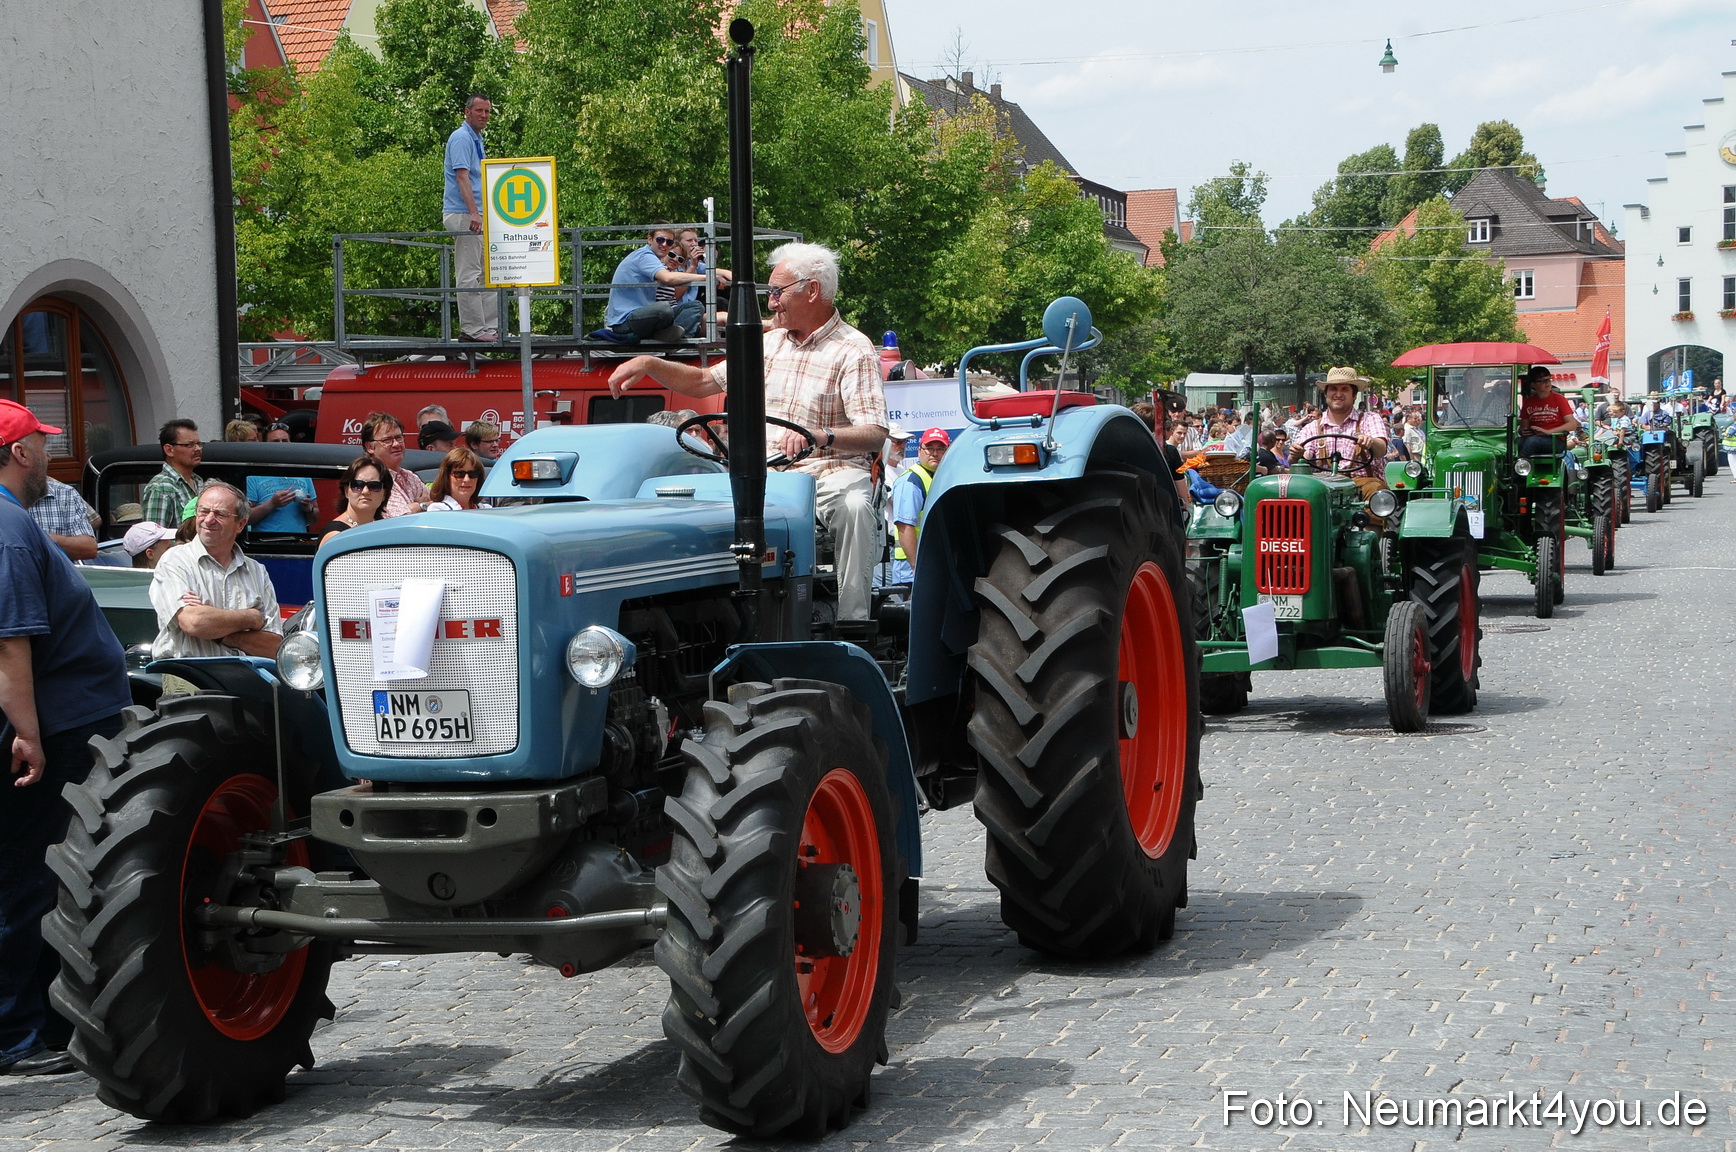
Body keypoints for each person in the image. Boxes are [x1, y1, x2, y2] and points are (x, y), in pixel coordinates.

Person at [609, 241, 888, 622]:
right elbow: (706, 380)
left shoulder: (853, 349)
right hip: (765, 474)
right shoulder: (767, 344)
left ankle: (853, 620)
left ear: (812, 290)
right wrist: (648, 362)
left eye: (777, 292)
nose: (771, 303)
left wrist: (819, 435)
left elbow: (874, 432)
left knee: (855, 508)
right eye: (769, 293)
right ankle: (708, 616)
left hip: (828, 473)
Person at [0, 399, 130, 1077]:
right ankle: (19, 1035)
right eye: (41, 443)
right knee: (35, 880)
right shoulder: (9, 525)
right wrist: (27, 733)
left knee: (41, 877)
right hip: (53, 725)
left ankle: (38, 1023)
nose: (49, 454)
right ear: (19, 453)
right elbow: (10, 643)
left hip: (58, 719)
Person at [148, 482, 282, 659]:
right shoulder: (175, 560)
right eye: (203, 511)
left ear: (240, 524)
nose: (208, 519)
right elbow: (194, 622)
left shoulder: (257, 571)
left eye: (220, 514)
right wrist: (251, 617)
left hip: (247, 678)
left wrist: (219, 629)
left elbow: (274, 647)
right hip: (189, 675)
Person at [443, 95, 498, 342]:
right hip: (465, 213)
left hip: (478, 214)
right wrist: (474, 213)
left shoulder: (476, 139)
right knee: (470, 272)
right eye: (479, 110)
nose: (484, 115)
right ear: (467, 112)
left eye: (487, 111)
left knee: (488, 272)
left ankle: (490, 328)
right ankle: (473, 330)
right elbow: (462, 177)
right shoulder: (462, 138)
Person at [604, 225, 717, 340]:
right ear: (649, 240)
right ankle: (673, 335)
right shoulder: (645, 256)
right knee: (663, 309)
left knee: (696, 306)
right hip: (626, 321)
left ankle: (676, 337)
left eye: (668, 242)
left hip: (645, 317)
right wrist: (708, 277)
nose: (664, 244)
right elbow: (667, 278)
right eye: (660, 240)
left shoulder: (656, 261)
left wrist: (708, 273)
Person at [1294, 366, 1389, 500]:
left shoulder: (1369, 419)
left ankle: (1372, 522)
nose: (1338, 394)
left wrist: (1371, 442)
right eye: (1333, 389)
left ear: (1354, 395)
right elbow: (1304, 455)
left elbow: (1381, 449)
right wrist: (1297, 454)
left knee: (1376, 491)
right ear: (1326, 394)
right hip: (1322, 488)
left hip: (1362, 487)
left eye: (1344, 389)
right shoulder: (1312, 428)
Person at [890, 428, 948, 585]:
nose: (934, 453)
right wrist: (916, 567)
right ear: (920, 450)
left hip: (933, 565)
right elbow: (905, 526)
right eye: (929, 448)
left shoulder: (940, 478)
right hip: (912, 570)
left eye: (940, 448)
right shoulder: (911, 481)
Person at [244, 429, 318, 532]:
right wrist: (272, 503)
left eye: (285, 441)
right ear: (265, 445)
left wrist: (308, 510)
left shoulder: (302, 473)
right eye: (275, 441)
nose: (281, 445)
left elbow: (315, 519)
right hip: (264, 544)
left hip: (298, 543)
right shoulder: (254, 475)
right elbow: (244, 518)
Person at [360, 412, 432, 516]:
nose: (396, 444)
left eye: (399, 437)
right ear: (370, 447)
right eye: (387, 440)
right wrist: (422, 505)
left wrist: (419, 506)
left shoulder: (410, 477)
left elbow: (442, 504)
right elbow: (401, 519)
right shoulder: (374, 480)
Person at [140, 419, 204, 527]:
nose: (197, 449)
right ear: (169, 450)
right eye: (189, 445)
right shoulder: (161, 487)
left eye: (199, 443)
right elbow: (155, 539)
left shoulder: (198, 481)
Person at [319, 456, 390, 546]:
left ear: (384, 494)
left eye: (374, 486)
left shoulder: (385, 531)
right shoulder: (335, 536)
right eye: (357, 485)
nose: (365, 491)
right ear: (346, 491)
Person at [27, 477, 97, 561]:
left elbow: (89, 548)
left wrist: (45, 540)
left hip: (57, 572)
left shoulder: (66, 493)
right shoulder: (7, 498)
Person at [1518, 365, 1580, 457]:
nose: (1547, 383)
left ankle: (1519, 467)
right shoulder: (1528, 402)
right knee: (1515, 442)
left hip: (1556, 439)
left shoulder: (1559, 399)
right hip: (1534, 437)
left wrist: (1549, 431)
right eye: (1542, 381)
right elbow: (1524, 427)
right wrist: (1523, 431)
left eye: (1548, 380)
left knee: (1532, 441)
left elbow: (1572, 424)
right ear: (1533, 384)